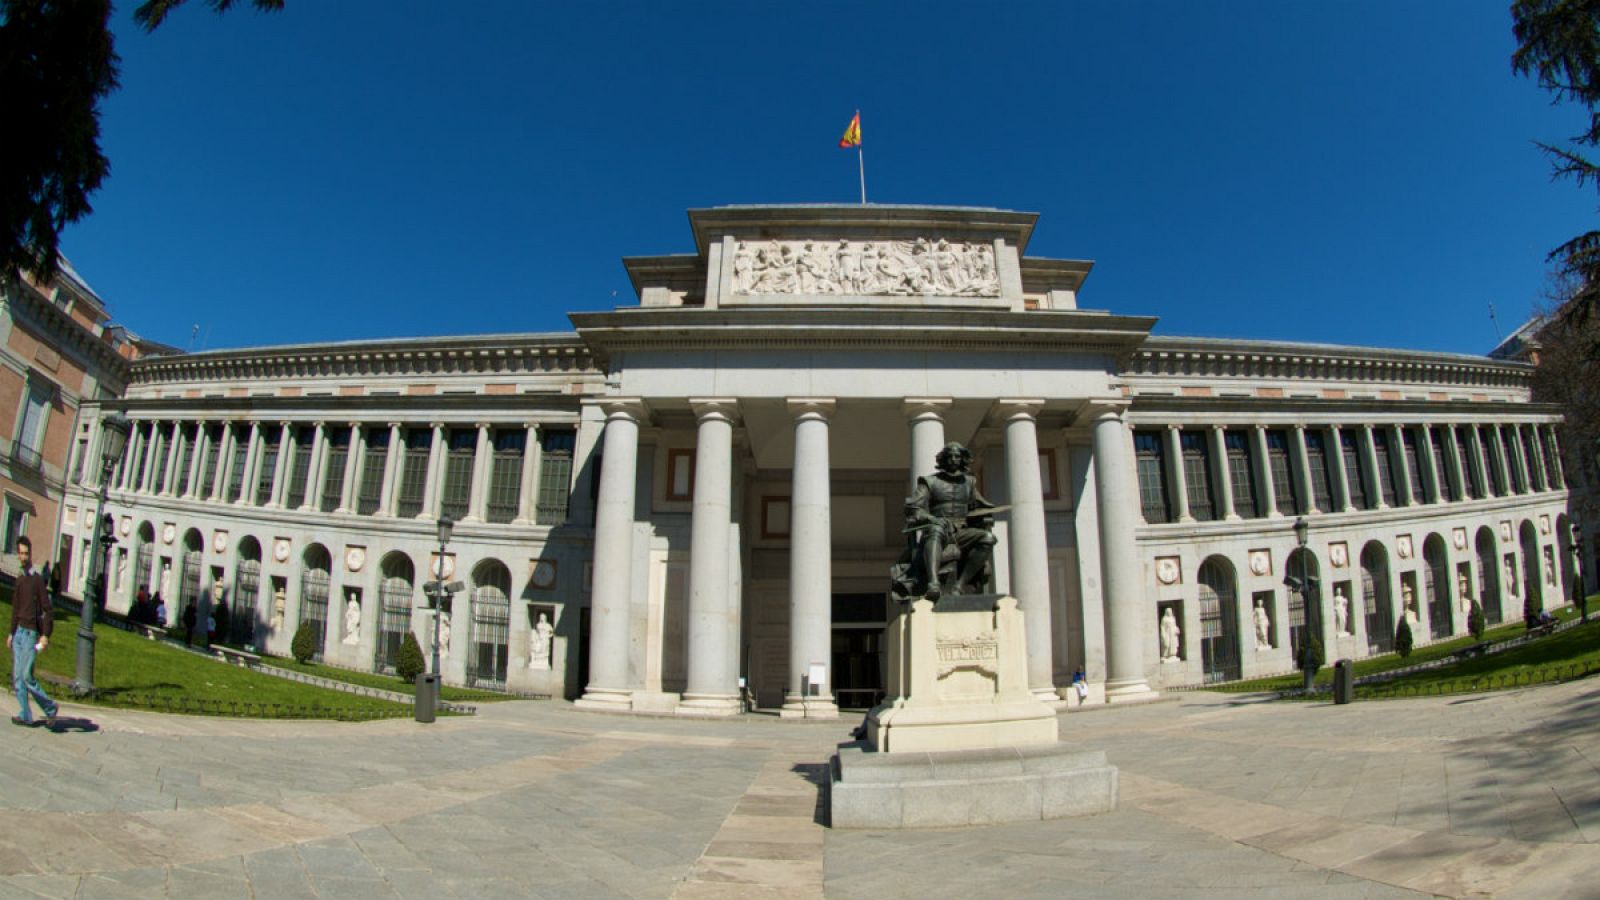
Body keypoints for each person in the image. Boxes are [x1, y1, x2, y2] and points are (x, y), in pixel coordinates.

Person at [9, 536, 59, 727]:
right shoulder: (20, 579)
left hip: (30, 634)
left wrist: (45, 634)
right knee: (17, 677)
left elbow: (48, 609)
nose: (23, 557)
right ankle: (25, 714)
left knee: (27, 676)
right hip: (19, 634)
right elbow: (15, 608)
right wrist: (11, 633)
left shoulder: (37, 580)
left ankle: (50, 708)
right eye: (20, 553)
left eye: (26, 553)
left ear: (30, 554)